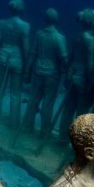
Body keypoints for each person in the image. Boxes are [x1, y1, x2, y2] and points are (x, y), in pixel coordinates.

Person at [22, 8, 67, 136]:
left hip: (38, 71)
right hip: (52, 75)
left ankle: (28, 126)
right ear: (56, 20)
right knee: (48, 103)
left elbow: (32, 54)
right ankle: (45, 131)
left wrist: (27, 72)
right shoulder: (59, 38)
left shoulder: (39, 34)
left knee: (34, 99)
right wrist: (65, 72)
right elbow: (63, 58)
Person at [57, 8, 94, 137]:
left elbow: (70, 58)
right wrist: (92, 83)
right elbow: (91, 64)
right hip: (83, 80)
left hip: (72, 76)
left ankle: (62, 136)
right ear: (91, 22)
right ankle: (76, 139)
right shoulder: (91, 41)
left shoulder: (77, 37)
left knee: (68, 108)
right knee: (81, 112)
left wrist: (67, 75)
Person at [0, 0, 30, 126]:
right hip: (17, 60)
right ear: (21, 9)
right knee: (15, 93)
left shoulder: (2, 23)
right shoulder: (25, 26)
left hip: (3, 57)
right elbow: (25, 48)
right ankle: (14, 122)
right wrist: (27, 66)